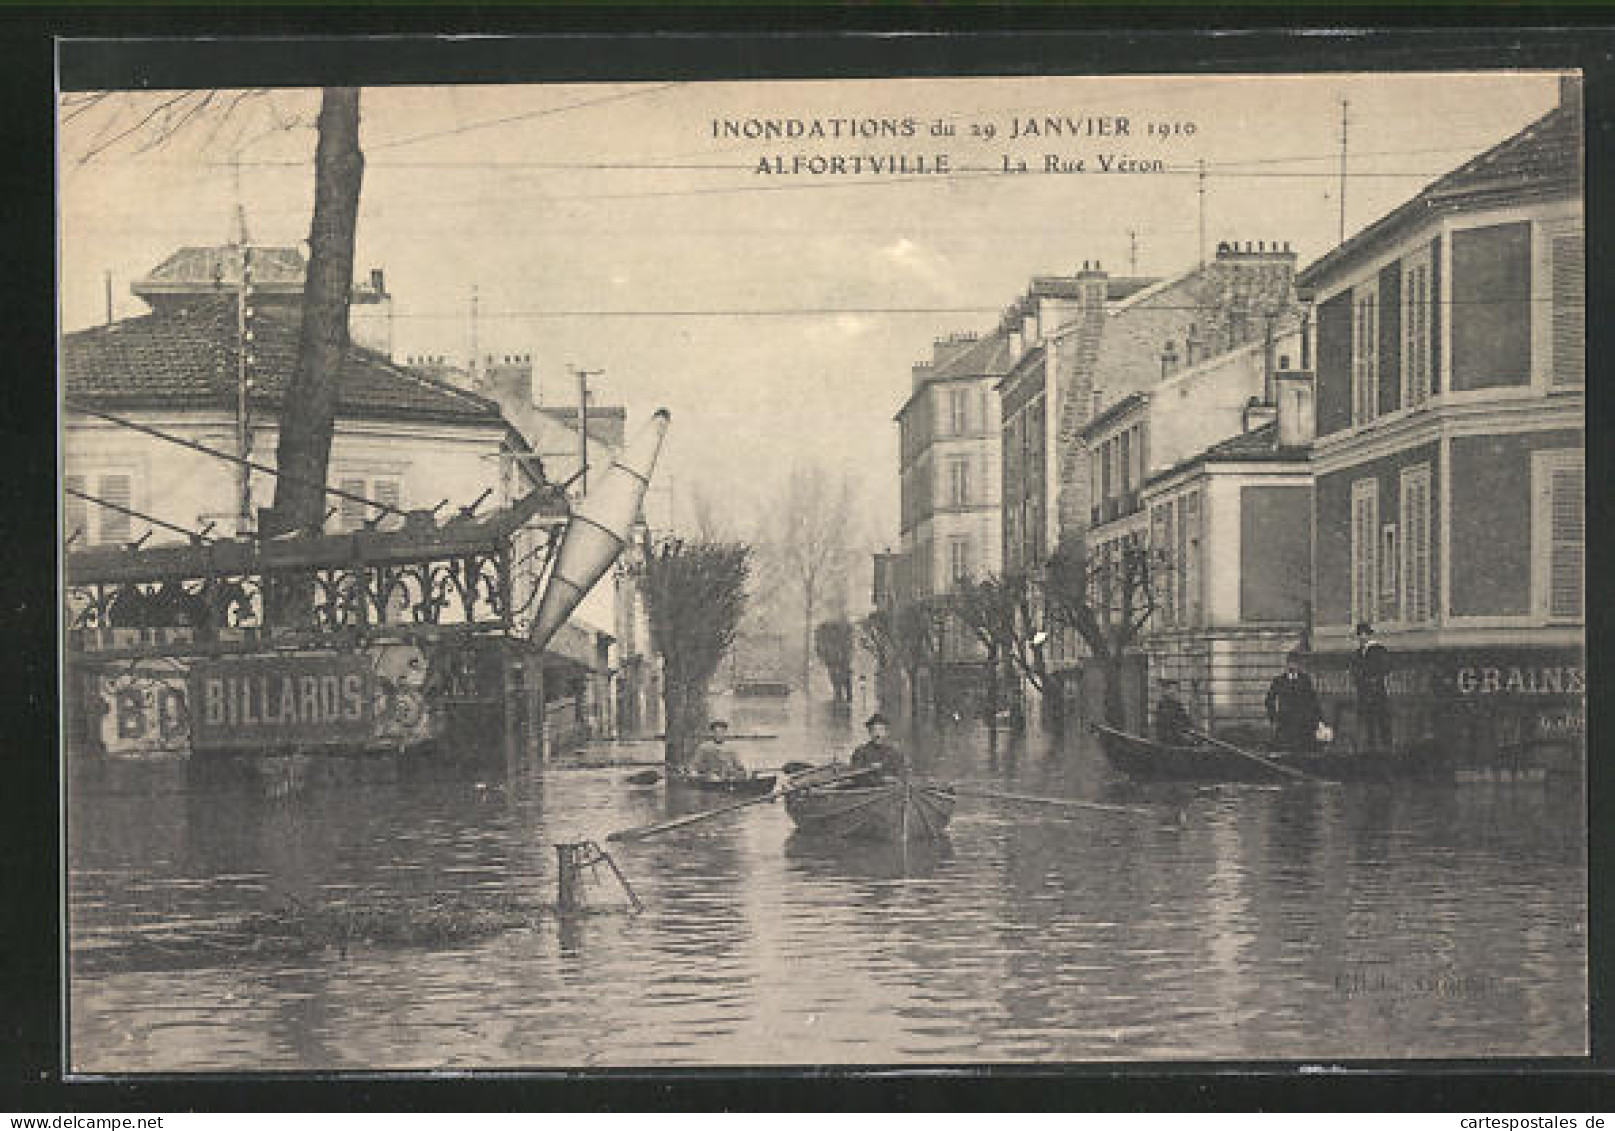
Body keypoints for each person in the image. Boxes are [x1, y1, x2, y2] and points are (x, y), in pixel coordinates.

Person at [1265, 650, 1322, 752]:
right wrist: (1274, 718)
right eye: (1290, 663)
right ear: (1286, 664)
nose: (1292, 666)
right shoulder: (1279, 681)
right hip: (1285, 723)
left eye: (1295, 663)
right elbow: (1269, 700)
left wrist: (1316, 720)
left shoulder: (1305, 680)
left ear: (1299, 665)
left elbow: (1313, 701)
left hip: (1303, 725)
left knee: (1305, 751)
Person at [1350, 622, 1394, 753]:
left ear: (1369, 635)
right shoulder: (1358, 652)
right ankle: (1372, 749)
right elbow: (1354, 670)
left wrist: (1374, 679)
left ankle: (1387, 748)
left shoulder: (1379, 650)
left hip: (1377, 691)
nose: (1361, 637)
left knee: (1382, 720)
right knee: (1369, 722)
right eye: (1359, 635)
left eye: (1364, 634)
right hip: (1363, 692)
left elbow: (1385, 668)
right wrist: (1358, 679)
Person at [850, 713, 907, 779]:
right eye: (874, 730)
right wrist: (870, 767)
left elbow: (901, 772)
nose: (877, 734)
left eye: (881, 730)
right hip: (868, 787)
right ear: (870, 733)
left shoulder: (894, 753)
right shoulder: (861, 752)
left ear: (886, 733)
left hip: (890, 786)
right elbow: (855, 773)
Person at [1154, 680, 1196, 746]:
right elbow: (1168, 725)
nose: (1173, 692)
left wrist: (1189, 730)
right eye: (1170, 689)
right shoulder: (1163, 705)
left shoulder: (1177, 705)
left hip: (1178, 736)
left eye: (1175, 689)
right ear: (1165, 691)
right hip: (1169, 740)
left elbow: (1186, 720)